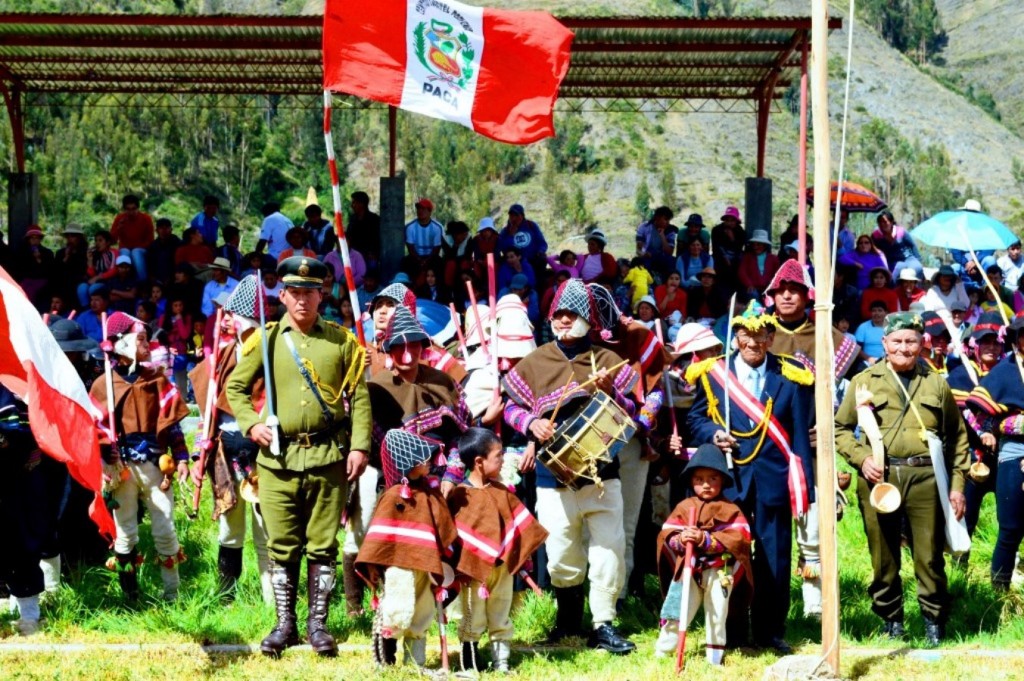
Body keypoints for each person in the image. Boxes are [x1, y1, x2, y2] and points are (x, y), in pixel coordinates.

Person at [225, 256, 371, 658]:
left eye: (311, 291)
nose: (303, 299)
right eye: (295, 292)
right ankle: (285, 623)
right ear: (283, 295)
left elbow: (357, 396)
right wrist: (252, 424)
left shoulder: (342, 342)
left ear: (322, 294)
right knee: (283, 545)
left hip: (328, 456)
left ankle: (318, 626)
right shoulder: (267, 339)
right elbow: (235, 387)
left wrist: (359, 445)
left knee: (322, 545)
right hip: (277, 459)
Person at [502, 278, 640, 654]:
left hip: (601, 475)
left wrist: (616, 401)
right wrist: (531, 423)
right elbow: (510, 407)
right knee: (562, 553)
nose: (563, 320)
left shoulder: (608, 361)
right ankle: (567, 624)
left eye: (571, 313)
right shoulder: (535, 360)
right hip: (553, 478)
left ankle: (603, 625)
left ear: (588, 318)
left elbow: (639, 408)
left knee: (608, 549)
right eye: (558, 313)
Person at [835, 312, 969, 646]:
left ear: (922, 344)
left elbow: (957, 436)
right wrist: (862, 458)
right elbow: (839, 429)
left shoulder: (937, 383)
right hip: (879, 480)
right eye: (897, 341)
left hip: (926, 477)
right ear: (884, 343)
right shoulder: (864, 381)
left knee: (929, 554)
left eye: (911, 341)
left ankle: (934, 621)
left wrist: (956, 486)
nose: (904, 348)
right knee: (883, 554)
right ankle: (891, 619)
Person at [687, 301, 813, 652]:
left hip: (774, 478)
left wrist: (809, 487)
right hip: (729, 478)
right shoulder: (713, 373)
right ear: (736, 337)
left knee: (775, 556)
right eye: (745, 335)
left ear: (772, 338)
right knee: (729, 552)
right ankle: (732, 627)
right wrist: (713, 433)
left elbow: (800, 433)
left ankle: (771, 629)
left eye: (761, 335)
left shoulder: (792, 374)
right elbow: (695, 420)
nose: (753, 342)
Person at [90, 312, 191, 601]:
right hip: (120, 468)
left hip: (156, 468)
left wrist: (182, 457)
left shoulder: (157, 380)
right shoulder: (103, 385)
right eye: (142, 339)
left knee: (165, 528)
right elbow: (95, 428)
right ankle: (130, 595)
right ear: (122, 344)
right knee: (125, 533)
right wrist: (104, 449)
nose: (148, 345)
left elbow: (171, 424)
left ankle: (172, 594)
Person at [188, 275, 273, 604]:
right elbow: (208, 413)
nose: (224, 319)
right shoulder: (221, 356)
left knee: (267, 533)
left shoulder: (270, 351)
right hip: (226, 449)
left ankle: (273, 604)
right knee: (229, 528)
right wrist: (198, 456)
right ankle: (226, 597)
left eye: (230, 313)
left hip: (264, 451)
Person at [355, 429, 461, 669]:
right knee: (397, 608)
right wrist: (376, 566)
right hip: (398, 567)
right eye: (420, 458)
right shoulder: (392, 496)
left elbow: (443, 528)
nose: (427, 461)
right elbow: (379, 539)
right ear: (405, 462)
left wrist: (444, 556)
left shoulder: (430, 494)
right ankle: (386, 660)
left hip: (426, 564)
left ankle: (416, 661)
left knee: (423, 609)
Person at [447, 428, 548, 674]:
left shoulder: (503, 492)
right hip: (472, 572)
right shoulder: (461, 496)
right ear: (479, 463)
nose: (504, 459)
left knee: (501, 614)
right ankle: (468, 664)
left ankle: (501, 662)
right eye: (498, 456)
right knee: (473, 616)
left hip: (502, 571)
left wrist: (521, 564)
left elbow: (517, 529)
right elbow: (453, 535)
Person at [653, 444, 752, 665]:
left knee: (717, 611)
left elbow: (739, 538)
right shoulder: (684, 506)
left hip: (719, 572)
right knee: (677, 608)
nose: (706, 484)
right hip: (688, 569)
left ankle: (714, 657)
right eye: (699, 479)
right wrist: (681, 539)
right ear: (691, 481)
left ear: (723, 480)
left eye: (712, 478)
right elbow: (666, 533)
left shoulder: (732, 510)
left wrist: (706, 540)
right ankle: (665, 649)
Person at [967, 317, 1024, 590]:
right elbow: (981, 413)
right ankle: (998, 593)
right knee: (1011, 527)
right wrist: (1000, 426)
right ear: (1016, 339)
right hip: (1014, 451)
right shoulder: (1004, 371)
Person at [947, 312, 1004, 544]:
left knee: (1010, 513)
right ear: (974, 345)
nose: (990, 347)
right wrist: (981, 433)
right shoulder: (961, 374)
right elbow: (960, 413)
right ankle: (960, 563)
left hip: (1003, 452)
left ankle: (1009, 563)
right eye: (985, 342)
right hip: (971, 452)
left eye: (995, 342)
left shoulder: (1010, 372)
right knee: (967, 512)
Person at [110, 194, 155, 281]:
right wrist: (118, 228)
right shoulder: (119, 218)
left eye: (134, 209)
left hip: (141, 249)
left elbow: (150, 240)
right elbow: (112, 240)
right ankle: (125, 282)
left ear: (138, 208)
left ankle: (143, 282)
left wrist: (138, 247)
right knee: (125, 252)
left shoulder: (146, 218)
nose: (131, 212)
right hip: (125, 248)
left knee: (136, 252)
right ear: (124, 209)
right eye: (128, 209)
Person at [13, 226, 56, 310]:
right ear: (28, 239)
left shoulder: (47, 253)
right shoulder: (22, 253)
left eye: (37, 238)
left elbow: (49, 270)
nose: (34, 240)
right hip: (26, 281)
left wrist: (39, 259)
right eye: (32, 238)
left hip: (42, 280)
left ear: (40, 239)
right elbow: (19, 269)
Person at [498, 203, 548, 274]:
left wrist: (540, 251)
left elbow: (542, 242)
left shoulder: (531, 225)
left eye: (517, 215)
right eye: (512, 215)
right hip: (514, 262)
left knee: (542, 260)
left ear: (522, 216)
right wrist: (511, 236)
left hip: (532, 259)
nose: (514, 218)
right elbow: (503, 248)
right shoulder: (505, 231)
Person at [635, 206, 677, 279]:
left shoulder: (670, 230)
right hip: (647, 255)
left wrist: (662, 235)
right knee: (640, 263)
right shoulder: (644, 227)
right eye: (665, 219)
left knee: (672, 261)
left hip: (662, 256)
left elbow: (669, 252)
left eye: (669, 220)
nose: (667, 223)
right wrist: (643, 254)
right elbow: (639, 248)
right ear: (657, 218)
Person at [737, 229, 779, 297]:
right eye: (754, 245)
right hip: (752, 289)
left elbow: (777, 274)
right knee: (754, 296)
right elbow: (742, 272)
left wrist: (771, 285)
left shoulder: (774, 258)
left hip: (768, 289)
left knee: (770, 302)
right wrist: (749, 285)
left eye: (759, 244)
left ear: (764, 245)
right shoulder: (747, 257)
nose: (755, 247)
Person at [710, 206, 746, 282]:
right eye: (727, 220)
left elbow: (739, 248)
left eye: (732, 220)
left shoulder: (740, 231)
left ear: (736, 221)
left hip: (735, 256)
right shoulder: (716, 230)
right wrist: (725, 257)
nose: (729, 223)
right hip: (720, 256)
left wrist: (732, 238)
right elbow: (716, 247)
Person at [347, 191, 381, 267]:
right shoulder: (352, 219)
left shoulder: (374, 219)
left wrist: (374, 253)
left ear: (361, 204)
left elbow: (377, 239)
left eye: (354, 203)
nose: (352, 205)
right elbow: (349, 236)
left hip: (369, 255)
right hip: (354, 253)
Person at [146, 218, 182, 287]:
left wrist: (171, 277)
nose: (164, 230)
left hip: (174, 276)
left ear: (171, 230)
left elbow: (178, 263)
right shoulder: (153, 246)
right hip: (157, 278)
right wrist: (152, 277)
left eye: (167, 228)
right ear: (157, 230)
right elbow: (150, 263)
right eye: (161, 228)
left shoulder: (177, 243)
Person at [404, 197, 443, 262]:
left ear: (430, 211)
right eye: (418, 208)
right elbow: (410, 249)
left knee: (439, 262)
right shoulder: (410, 227)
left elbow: (436, 250)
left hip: (431, 258)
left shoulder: (437, 228)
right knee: (405, 261)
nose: (420, 211)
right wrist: (419, 260)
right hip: (415, 257)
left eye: (423, 209)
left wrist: (427, 262)